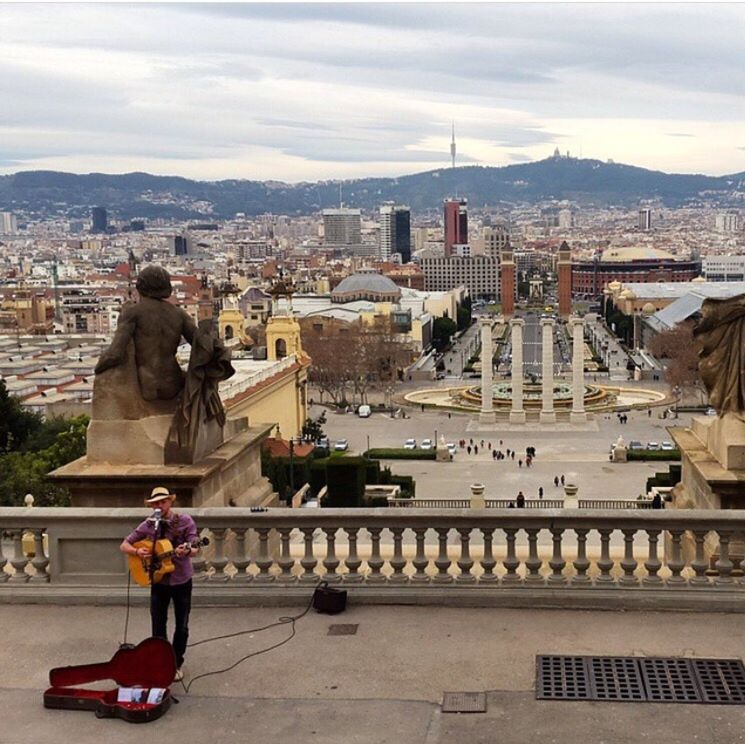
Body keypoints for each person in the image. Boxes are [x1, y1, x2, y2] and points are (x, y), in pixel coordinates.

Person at [120, 486, 200, 681]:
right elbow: (124, 544)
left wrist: (187, 550)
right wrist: (137, 552)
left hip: (181, 580)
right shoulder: (148, 525)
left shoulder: (185, 521)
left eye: (163, 502)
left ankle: (176, 662)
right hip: (158, 580)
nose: (159, 506)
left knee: (181, 625)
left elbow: (196, 547)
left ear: (170, 502)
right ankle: (160, 662)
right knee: (158, 624)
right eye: (156, 503)